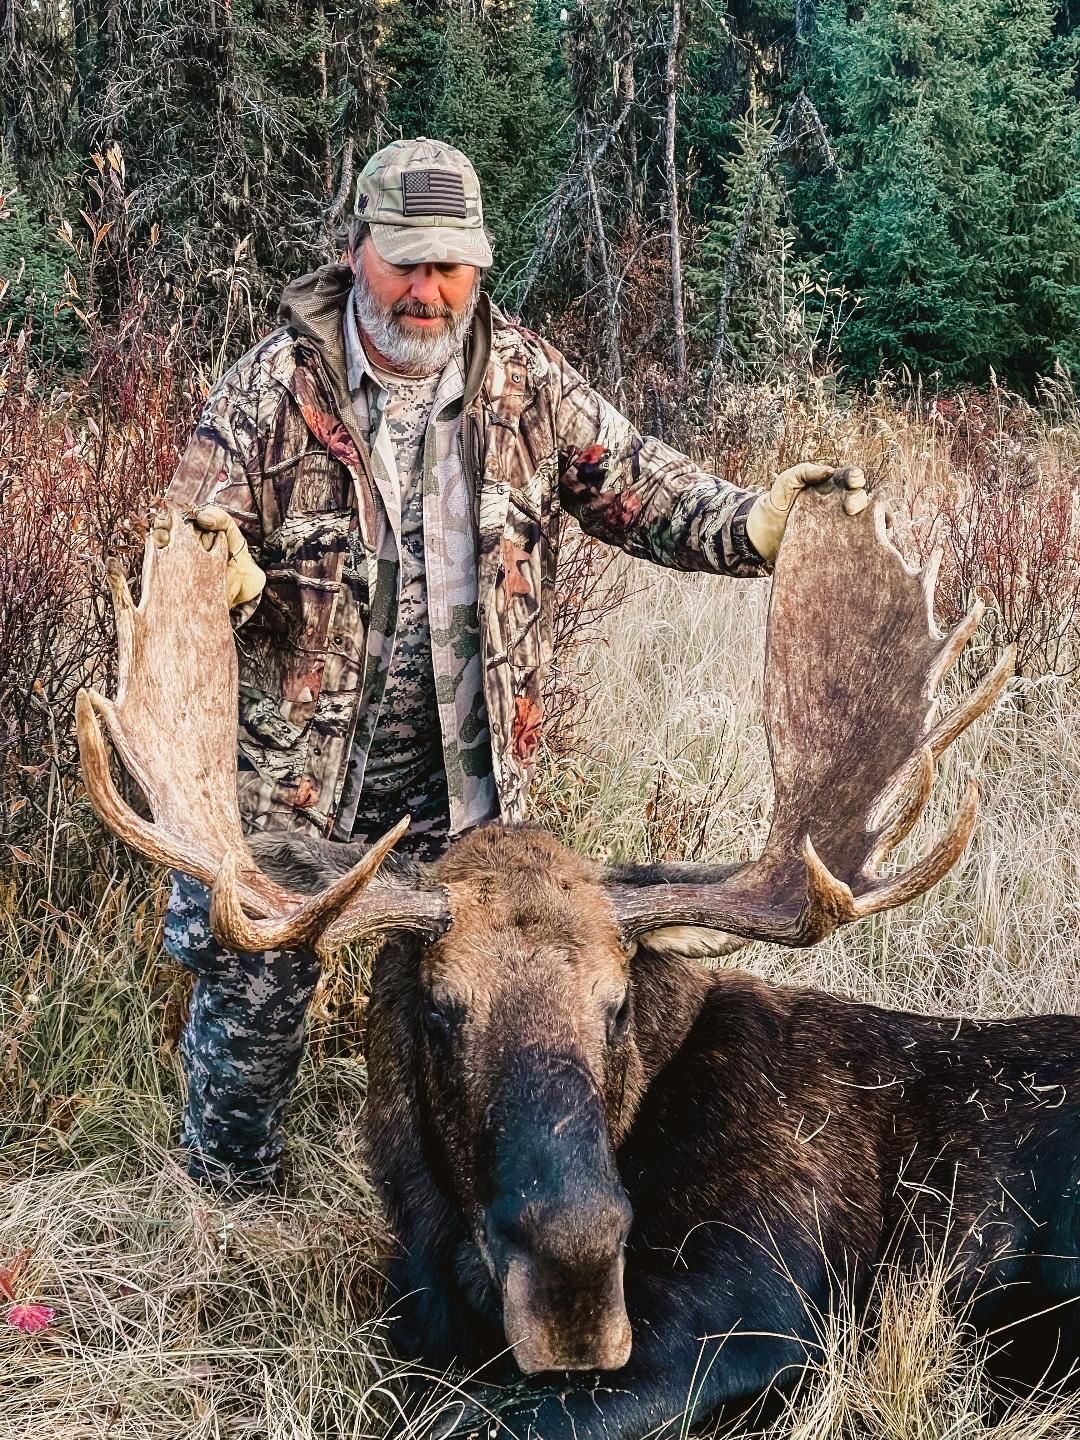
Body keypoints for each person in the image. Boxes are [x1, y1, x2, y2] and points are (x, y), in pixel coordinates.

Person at [163, 137, 867, 1193]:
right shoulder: (269, 392)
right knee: (254, 990)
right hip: (294, 786)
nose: (428, 289)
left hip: (470, 797)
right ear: (357, 250)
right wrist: (206, 572)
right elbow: (185, 540)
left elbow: (648, 490)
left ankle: (464, 1203)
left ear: (479, 263)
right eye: (406, 261)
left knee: (477, 1022)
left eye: (451, 264)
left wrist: (754, 522)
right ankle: (228, 1195)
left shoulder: (527, 383)